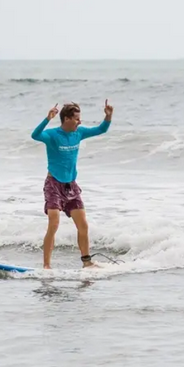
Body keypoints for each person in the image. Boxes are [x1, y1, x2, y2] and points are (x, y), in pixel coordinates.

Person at [30, 100, 113, 269]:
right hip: (53, 184)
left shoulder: (79, 133)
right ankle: (46, 266)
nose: (79, 122)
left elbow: (101, 129)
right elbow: (35, 135)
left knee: (83, 225)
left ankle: (87, 262)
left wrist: (108, 116)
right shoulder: (53, 135)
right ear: (66, 119)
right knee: (53, 224)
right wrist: (47, 119)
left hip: (71, 186)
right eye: (76, 118)